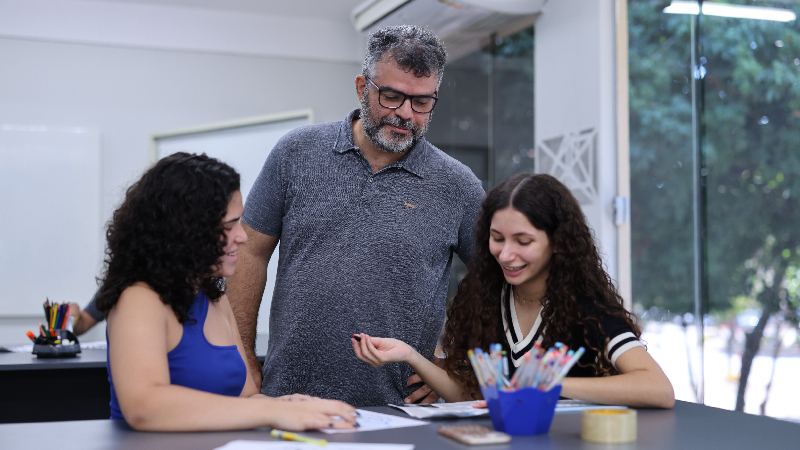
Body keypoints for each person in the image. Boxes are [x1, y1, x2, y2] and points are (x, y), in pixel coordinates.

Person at [226, 25, 485, 407]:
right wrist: (243, 353)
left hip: (400, 407)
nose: (405, 115)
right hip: (290, 398)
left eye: (421, 103)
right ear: (363, 87)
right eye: (392, 96)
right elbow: (249, 252)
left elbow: (497, 278)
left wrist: (453, 363)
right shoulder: (295, 153)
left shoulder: (457, 185)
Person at [352, 173, 676, 409]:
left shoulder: (586, 307)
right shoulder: (484, 299)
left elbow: (658, 389)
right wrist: (409, 355)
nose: (506, 255)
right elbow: (473, 397)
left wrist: (546, 385)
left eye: (523, 242)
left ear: (558, 242)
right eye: (497, 238)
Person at [94, 152, 357, 431]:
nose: (242, 237)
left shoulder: (215, 298)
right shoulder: (139, 298)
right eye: (229, 226)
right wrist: (267, 410)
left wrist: (285, 406)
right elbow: (144, 406)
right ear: (186, 230)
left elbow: (245, 398)